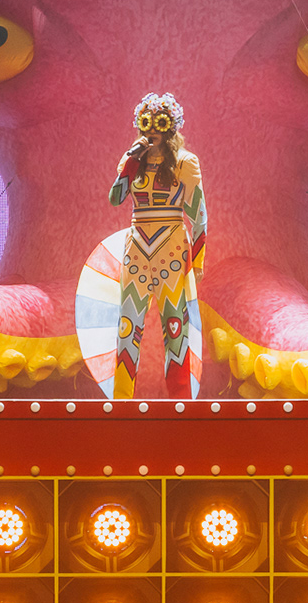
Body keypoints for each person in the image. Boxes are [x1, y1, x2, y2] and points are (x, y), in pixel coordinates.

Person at [75, 93, 208, 398]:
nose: (152, 130)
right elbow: (116, 198)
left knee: (175, 326)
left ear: (171, 126)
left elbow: (198, 215)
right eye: (146, 123)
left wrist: (198, 260)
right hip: (137, 247)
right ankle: (122, 401)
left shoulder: (185, 162)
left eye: (159, 123)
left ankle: (179, 402)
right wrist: (131, 162)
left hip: (171, 247)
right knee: (127, 324)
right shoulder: (132, 160)